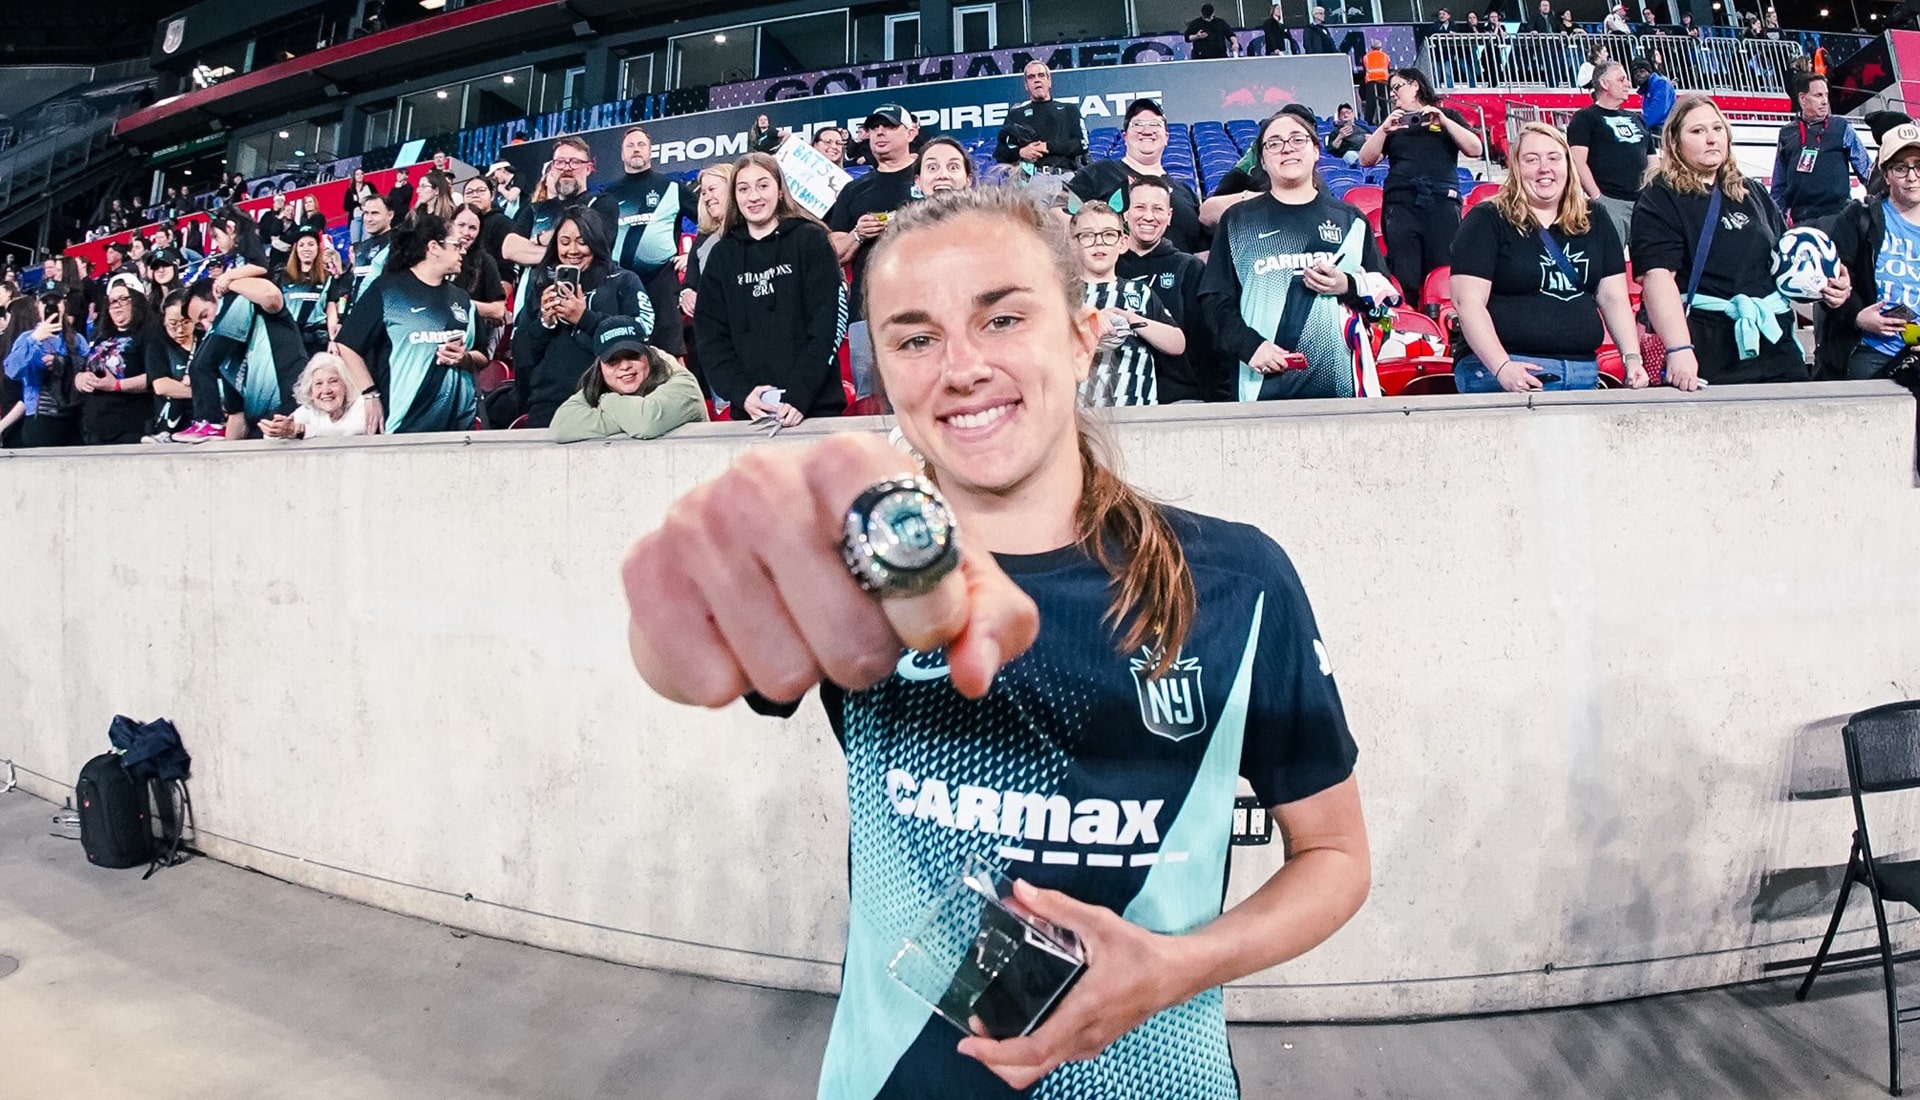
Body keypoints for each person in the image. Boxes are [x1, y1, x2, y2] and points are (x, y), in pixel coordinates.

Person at [621, 182, 1370, 1097]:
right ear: (884, 372)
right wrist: (683, 592)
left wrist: (1177, 968)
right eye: (914, 338)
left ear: (1082, 338)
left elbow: (1335, 858)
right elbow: (679, 656)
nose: (962, 367)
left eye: (1003, 319)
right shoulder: (863, 571)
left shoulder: (1236, 580)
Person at [1633, 95, 1841, 389]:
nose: (1711, 138)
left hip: (1776, 346)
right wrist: (1679, 349)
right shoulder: (1660, 196)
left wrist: (1830, 284)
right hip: (1709, 346)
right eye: (1697, 131)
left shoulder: (1752, 192)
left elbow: (1787, 259)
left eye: (1717, 129)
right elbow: (1657, 276)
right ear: (1675, 142)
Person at [1202, 105, 1391, 401]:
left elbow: (1385, 299)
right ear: (1263, 160)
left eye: (1297, 139)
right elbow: (1214, 300)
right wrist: (1249, 347)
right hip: (1261, 386)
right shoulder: (1238, 221)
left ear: (1315, 150)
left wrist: (1348, 285)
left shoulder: (1350, 220)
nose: (1286, 148)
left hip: (1342, 388)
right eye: (1274, 143)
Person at [1450, 123, 1645, 393]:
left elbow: (1613, 298)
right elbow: (1468, 302)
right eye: (1532, 159)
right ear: (1516, 167)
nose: (1544, 168)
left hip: (1582, 371)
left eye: (1554, 158)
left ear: (1568, 164)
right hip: (1505, 372)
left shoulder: (1595, 219)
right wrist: (1502, 367)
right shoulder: (1486, 219)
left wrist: (1631, 359)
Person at [696, 153, 847, 425]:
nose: (753, 196)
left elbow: (828, 325)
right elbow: (711, 337)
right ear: (735, 197)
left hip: (814, 408)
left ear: (779, 190)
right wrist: (741, 393)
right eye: (743, 189)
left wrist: (800, 395)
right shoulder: (722, 255)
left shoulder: (811, 240)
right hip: (751, 413)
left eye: (763, 185)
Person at [334, 211, 484, 434]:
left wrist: (465, 358)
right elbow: (347, 344)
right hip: (404, 424)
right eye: (457, 245)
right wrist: (370, 394)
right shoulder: (388, 290)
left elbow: (482, 354)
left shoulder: (462, 299)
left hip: (459, 428)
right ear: (434, 247)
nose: (463, 251)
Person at [510, 205, 649, 430]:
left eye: (582, 242)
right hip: (549, 405)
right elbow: (521, 353)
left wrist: (584, 318)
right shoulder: (541, 285)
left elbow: (641, 334)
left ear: (595, 242)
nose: (572, 250)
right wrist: (545, 322)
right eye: (564, 242)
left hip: (607, 401)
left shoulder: (623, 280)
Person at [1358, 68, 1483, 307]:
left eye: (1397, 87)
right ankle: (1409, 316)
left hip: (1442, 202)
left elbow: (1475, 149)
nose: (1393, 94)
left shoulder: (1447, 116)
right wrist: (1384, 129)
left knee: (1443, 267)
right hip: (1401, 204)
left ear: (1415, 85)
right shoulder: (1393, 124)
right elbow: (1365, 160)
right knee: (1404, 271)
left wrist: (1443, 121)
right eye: (1390, 90)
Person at [829, 105, 920, 405]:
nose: (879, 132)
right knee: (872, 403)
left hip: (923, 304)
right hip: (866, 312)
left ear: (911, 132)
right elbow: (835, 251)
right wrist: (858, 233)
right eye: (874, 127)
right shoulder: (853, 189)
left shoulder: (928, 176)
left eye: (889, 126)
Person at [589, 126, 703, 357]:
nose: (636, 149)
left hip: (662, 281)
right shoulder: (608, 195)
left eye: (641, 145)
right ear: (622, 154)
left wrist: (689, 255)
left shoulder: (671, 187)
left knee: (670, 353)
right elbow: (597, 240)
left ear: (651, 151)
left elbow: (709, 223)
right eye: (630, 146)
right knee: (622, 351)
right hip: (620, 282)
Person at [1819, 122, 1920, 380]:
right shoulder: (1857, 219)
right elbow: (1831, 283)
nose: (1912, 177)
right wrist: (1857, 316)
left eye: (1919, 166)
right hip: (1870, 350)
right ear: (1886, 175)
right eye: (1901, 168)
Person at [1068, 200, 1185, 406]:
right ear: (1073, 244)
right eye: (1087, 235)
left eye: (1108, 234)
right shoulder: (1064, 296)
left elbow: (1177, 343)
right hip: (1081, 411)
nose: (1099, 243)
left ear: (1123, 243)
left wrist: (1131, 319)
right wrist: (1087, 327)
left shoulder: (1140, 292)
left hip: (1136, 408)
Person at [1118, 176, 1217, 402]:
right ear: (1126, 214)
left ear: (1169, 216)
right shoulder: (1109, 265)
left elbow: (1205, 341)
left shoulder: (1188, 267)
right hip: (1120, 394)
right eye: (1140, 207)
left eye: (1158, 209)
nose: (1148, 216)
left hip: (1178, 397)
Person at [1067, 99, 1208, 255]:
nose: (1147, 130)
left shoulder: (1185, 191)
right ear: (1125, 136)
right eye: (1137, 124)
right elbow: (1060, 213)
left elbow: (1201, 250)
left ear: (1166, 137)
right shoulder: (1098, 173)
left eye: (1155, 124)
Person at [549, 318, 707, 442]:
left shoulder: (682, 382)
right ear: (600, 367)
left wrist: (606, 400)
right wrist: (629, 418)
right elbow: (561, 427)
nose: (625, 366)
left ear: (649, 354)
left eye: (633, 356)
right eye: (613, 360)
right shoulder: (601, 383)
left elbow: (646, 423)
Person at [1568, 60, 1655, 245]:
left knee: (1652, 258)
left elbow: (1652, 160)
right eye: (1621, 79)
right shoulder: (1585, 117)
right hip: (1611, 202)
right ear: (1604, 83)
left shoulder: (1637, 119)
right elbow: (1577, 161)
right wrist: (1598, 198)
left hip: (1643, 204)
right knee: (1611, 259)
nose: (1628, 84)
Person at [1770, 73, 1873, 229]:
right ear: (1802, 98)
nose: (1825, 101)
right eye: (1818, 95)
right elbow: (1779, 185)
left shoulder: (1841, 127)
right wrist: (1777, 224)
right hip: (1801, 220)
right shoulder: (1787, 133)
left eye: (1826, 95)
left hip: (1839, 218)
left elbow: (1866, 172)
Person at [678, 164, 735, 404]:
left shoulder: (750, 229)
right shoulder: (703, 239)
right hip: (715, 338)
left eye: (713, 189)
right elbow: (690, 282)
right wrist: (686, 293)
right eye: (703, 192)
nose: (707, 196)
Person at [74, 277, 156, 444]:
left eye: (123, 299)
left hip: (129, 427)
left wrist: (117, 385)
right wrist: (80, 379)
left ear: (136, 301)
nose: (117, 305)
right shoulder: (102, 335)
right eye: (112, 301)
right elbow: (84, 369)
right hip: (94, 428)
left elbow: (157, 377)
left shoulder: (149, 333)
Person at [4, 291, 87, 447]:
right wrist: (35, 338)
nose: (51, 306)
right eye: (46, 302)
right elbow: (12, 371)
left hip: (74, 417)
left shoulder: (77, 339)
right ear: (38, 306)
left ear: (63, 306)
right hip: (41, 417)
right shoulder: (26, 338)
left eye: (56, 302)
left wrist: (63, 362)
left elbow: (88, 369)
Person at [994, 62, 1089, 174]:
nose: (1037, 80)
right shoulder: (1015, 115)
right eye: (1031, 77)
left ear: (1049, 81)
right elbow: (999, 153)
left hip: (1065, 176)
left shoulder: (1069, 110)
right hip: (1030, 178)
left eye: (1041, 75)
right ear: (1026, 85)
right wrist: (1020, 152)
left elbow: (1082, 144)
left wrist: (1047, 146)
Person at [260, 352, 366, 439]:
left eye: (333, 381)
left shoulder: (361, 404)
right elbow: (277, 435)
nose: (326, 390)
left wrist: (301, 430)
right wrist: (276, 429)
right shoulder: (309, 410)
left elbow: (348, 433)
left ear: (346, 386)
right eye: (318, 384)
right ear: (311, 392)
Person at [278, 226, 342, 359]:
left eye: (311, 244)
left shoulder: (327, 277)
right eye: (301, 245)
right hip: (289, 338)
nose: (306, 249)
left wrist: (333, 340)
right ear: (296, 249)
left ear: (318, 248)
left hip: (317, 341)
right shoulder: (283, 276)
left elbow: (331, 311)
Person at [142, 288, 194, 442]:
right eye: (173, 324)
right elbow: (162, 386)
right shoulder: (158, 345)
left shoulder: (206, 341)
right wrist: (205, 392)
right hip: (170, 426)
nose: (180, 330)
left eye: (186, 322)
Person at [349, 191, 395, 306]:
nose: (368, 219)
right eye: (366, 213)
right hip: (357, 311)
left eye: (375, 213)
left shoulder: (397, 244)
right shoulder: (361, 248)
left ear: (390, 215)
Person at [1630, 58, 1676, 136]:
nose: (1638, 75)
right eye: (1635, 73)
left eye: (1642, 71)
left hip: (1664, 131)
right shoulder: (1647, 89)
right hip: (1658, 130)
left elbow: (1657, 111)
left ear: (1649, 72)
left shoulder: (1661, 84)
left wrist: (1637, 124)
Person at [1362, 41, 1391, 126]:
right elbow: (1388, 67)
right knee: (1385, 103)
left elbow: (1365, 68)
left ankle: (1368, 123)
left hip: (1371, 81)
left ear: (1371, 48)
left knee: (1371, 104)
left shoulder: (1366, 57)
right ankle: (1385, 121)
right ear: (1380, 48)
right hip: (1383, 81)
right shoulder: (1385, 56)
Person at [344, 167, 377, 244]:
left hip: (368, 216)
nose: (360, 176)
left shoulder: (369, 186)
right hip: (356, 217)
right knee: (355, 241)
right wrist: (357, 203)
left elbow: (377, 197)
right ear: (354, 176)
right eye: (357, 174)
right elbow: (346, 207)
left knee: (367, 240)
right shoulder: (350, 190)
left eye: (361, 174)